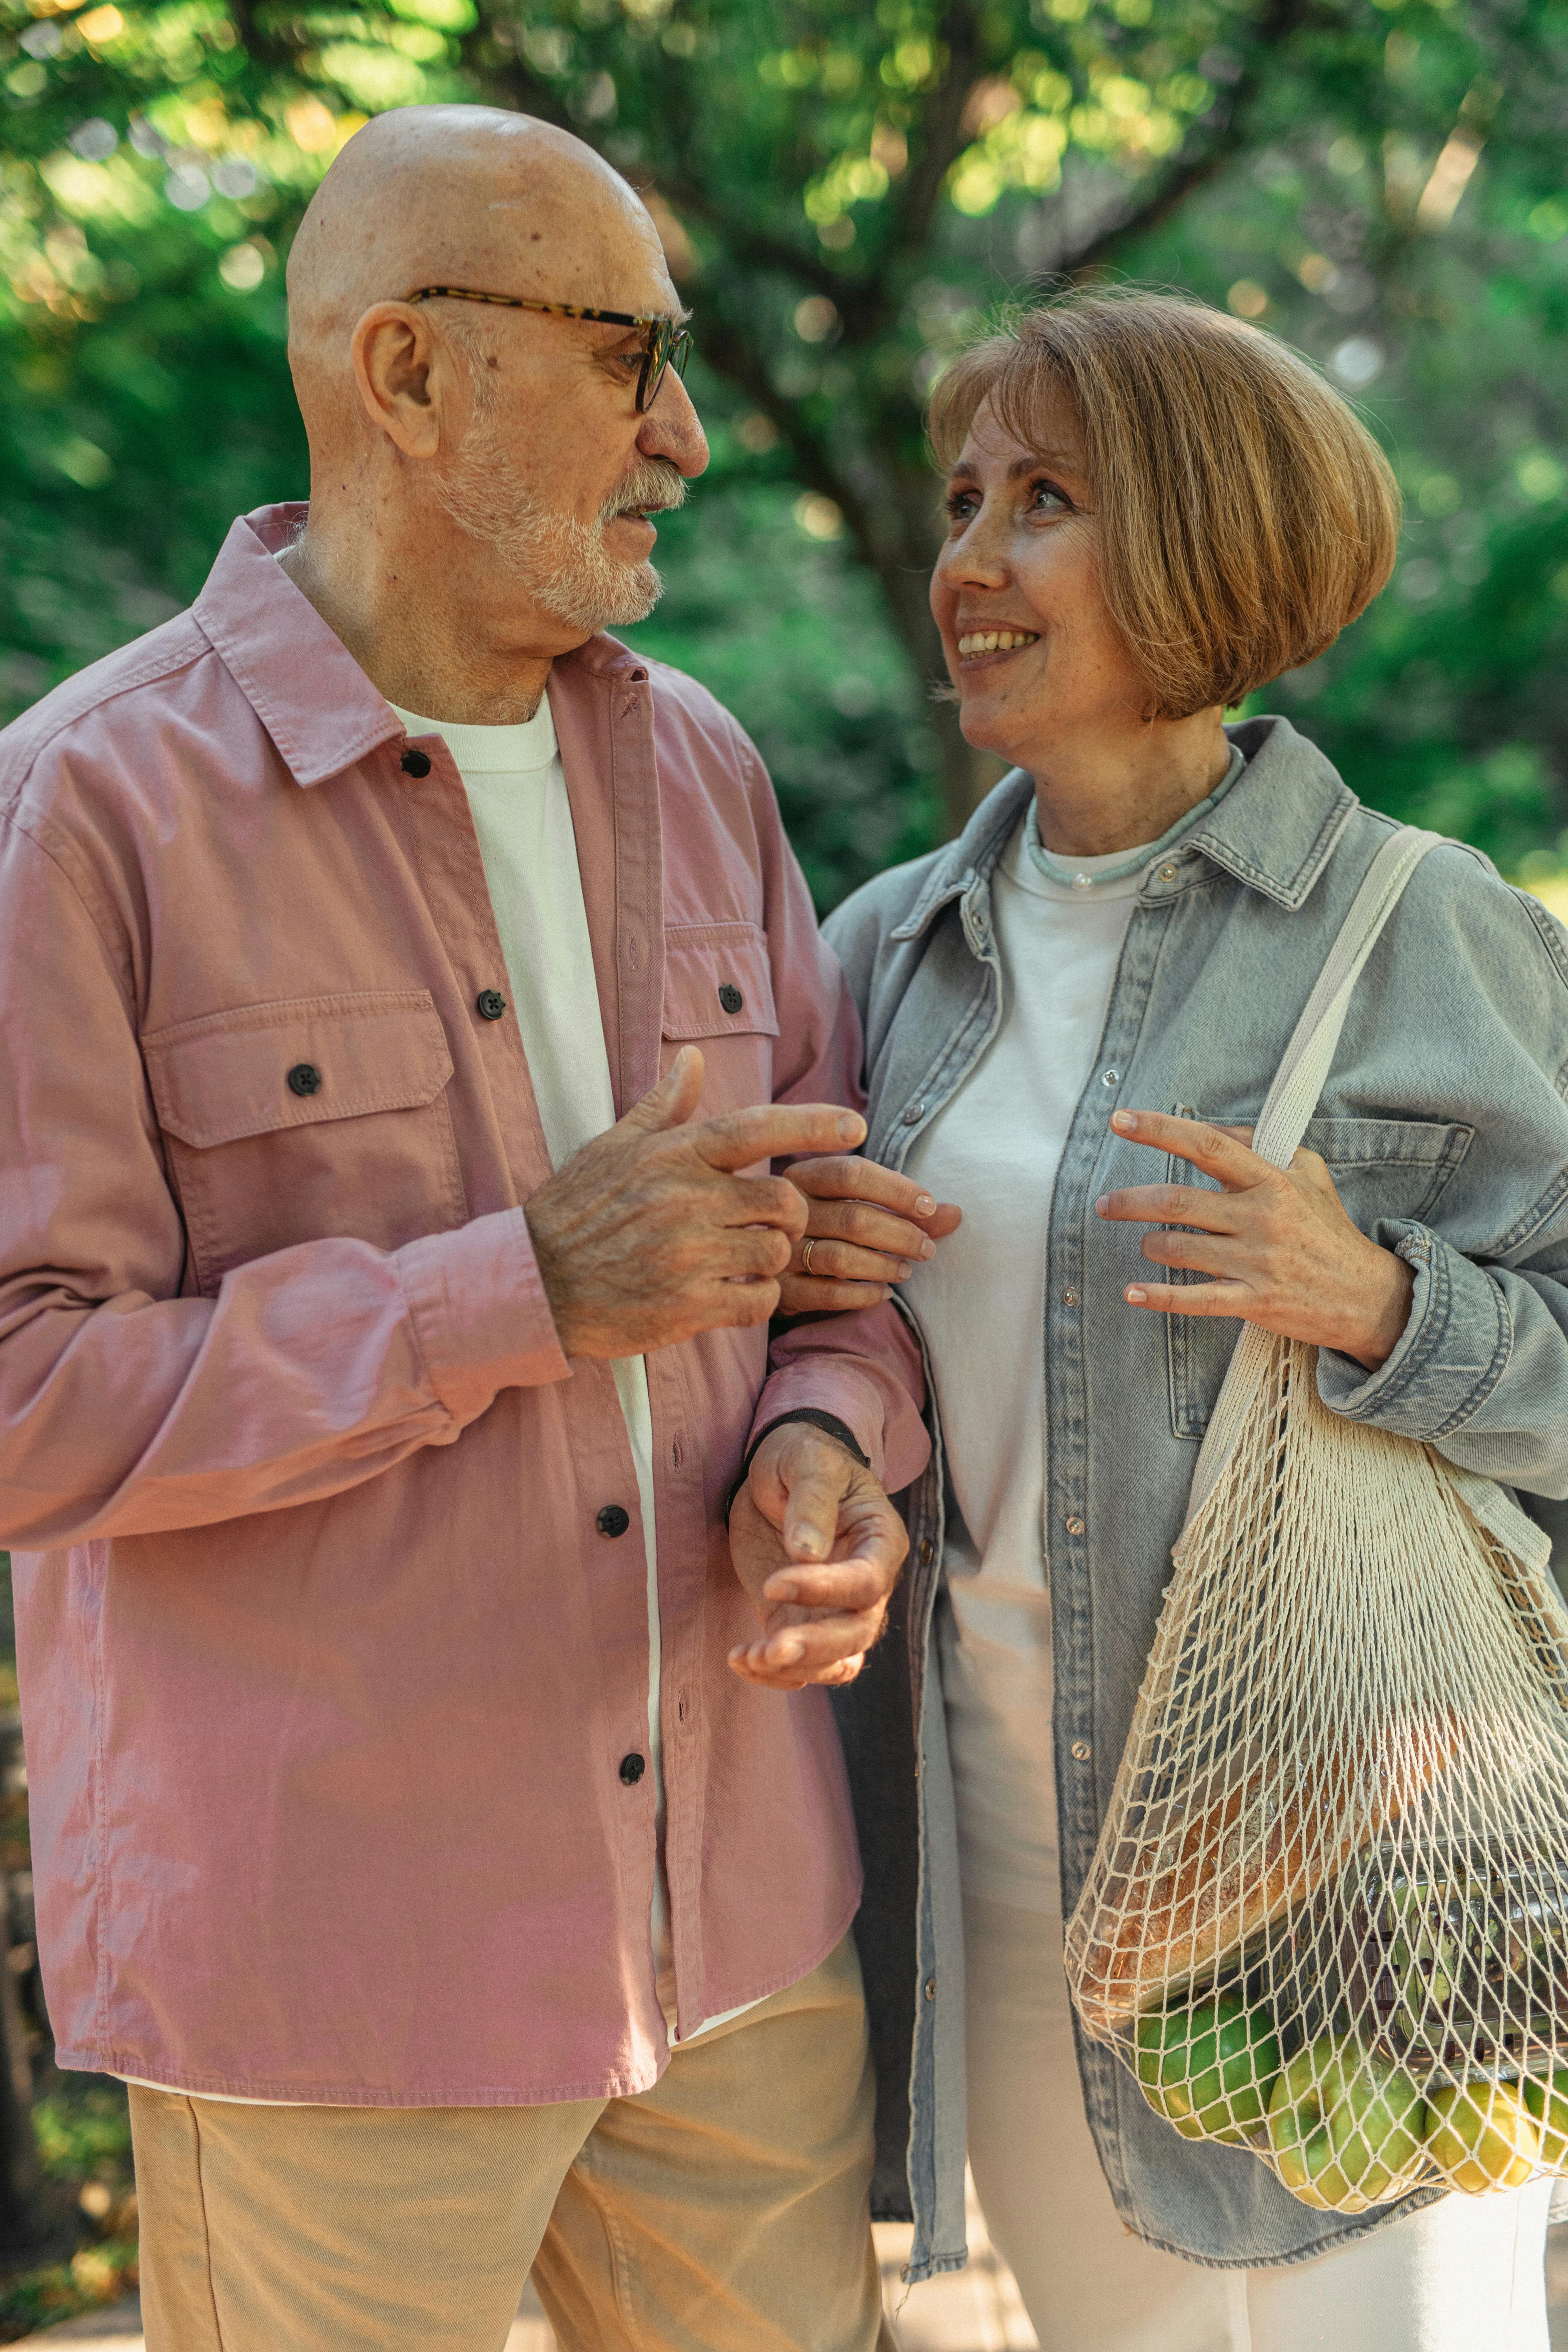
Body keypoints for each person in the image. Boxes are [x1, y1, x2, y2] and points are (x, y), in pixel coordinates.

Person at [0, 103, 953, 2352]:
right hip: (335, 1984)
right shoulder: (82, 813)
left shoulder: (704, 763)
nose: (689, 436)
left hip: (734, 1956)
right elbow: (28, 1392)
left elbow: (836, 1265)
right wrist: (510, 1293)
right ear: (408, 373)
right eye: (629, 355)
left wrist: (832, 1446)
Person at [811, 291, 1568, 2349]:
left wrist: (1386, 1299)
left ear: (1211, 542)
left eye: (1046, 499)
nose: (971, 557)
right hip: (1007, 1863)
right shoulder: (882, 953)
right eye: (965, 498)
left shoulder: (1432, 933)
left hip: (1364, 1869)